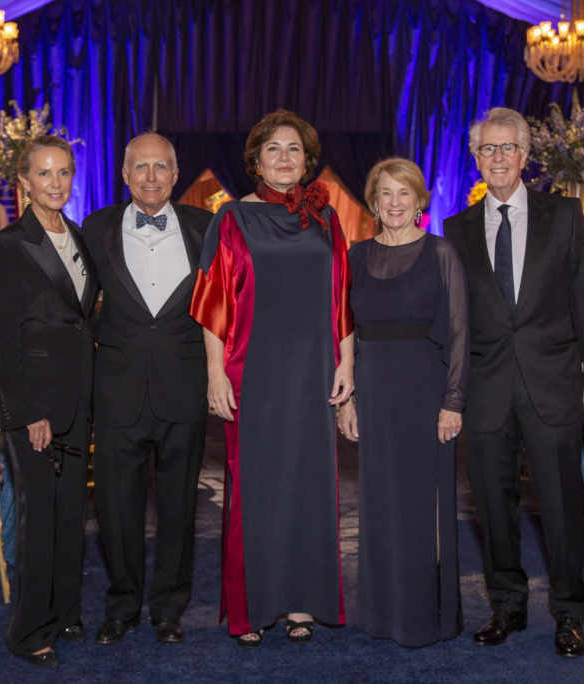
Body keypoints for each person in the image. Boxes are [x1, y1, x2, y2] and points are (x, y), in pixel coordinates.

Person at [443, 108, 584, 659]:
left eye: (507, 148)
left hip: (555, 383)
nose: (497, 158)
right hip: (486, 388)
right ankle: (506, 606)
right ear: (476, 157)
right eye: (487, 149)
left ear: (524, 155)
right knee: (492, 504)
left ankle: (569, 612)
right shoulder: (455, 228)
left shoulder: (563, 215)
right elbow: (452, 318)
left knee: (562, 503)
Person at [191, 109, 354, 646]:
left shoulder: (328, 220)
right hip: (252, 372)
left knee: (310, 486)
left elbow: (342, 302)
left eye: (294, 150)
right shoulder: (232, 217)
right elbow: (212, 301)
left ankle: (303, 602)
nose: (284, 159)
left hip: (314, 373)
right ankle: (254, 606)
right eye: (273, 150)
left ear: (308, 161)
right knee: (256, 488)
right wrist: (216, 374)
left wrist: (347, 365)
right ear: (255, 159)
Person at [83, 133, 211, 646]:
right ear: (125, 174)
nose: (151, 177)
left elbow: (226, 306)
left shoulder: (207, 227)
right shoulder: (95, 228)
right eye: (141, 167)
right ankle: (121, 607)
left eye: (161, 167)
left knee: (180, 508)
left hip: (185, 388)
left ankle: (169, 609)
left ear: (177, 175)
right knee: (115, 509)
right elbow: (77, 304)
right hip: (118, 392)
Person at [336, 157, 469, 647]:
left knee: (424, 506)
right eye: (385, 194)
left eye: (404, 194)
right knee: (377, 504)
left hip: (426, 395)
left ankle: (424, 618)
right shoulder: (354, 256)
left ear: (419, 201)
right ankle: (381, 615)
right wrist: (345, 402)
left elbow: (459, 333)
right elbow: (343, 334)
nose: (395, 203)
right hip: (373, 393)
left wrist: (453, 402)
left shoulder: (441, 254)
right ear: (374, 201)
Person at [0, 135, 98, 669]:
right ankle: (29, 631)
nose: (57, 184)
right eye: (45, 174)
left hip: (76, 399)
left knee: (71, 513)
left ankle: (67, 611)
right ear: (24, 182)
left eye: (65, 173)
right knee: (40, 517)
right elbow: (1, 340)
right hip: (34, 405)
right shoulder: (7, 245)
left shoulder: (76, 237)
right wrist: (28, 411)